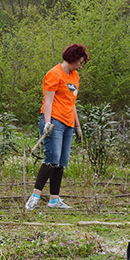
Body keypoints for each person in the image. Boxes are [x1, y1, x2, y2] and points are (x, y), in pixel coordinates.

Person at [25, 44, 89, 211]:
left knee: (61, 161)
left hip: (68, 124)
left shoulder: (75, 77)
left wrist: (77, 125)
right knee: (52, 157)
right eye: (80, 62)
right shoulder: (54, 74)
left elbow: (72, 103)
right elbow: (48, 101)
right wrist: (47, 122)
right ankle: (35, 196)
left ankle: (54, 199)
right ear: (73, 59)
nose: (81, 66)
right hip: (54, 121)